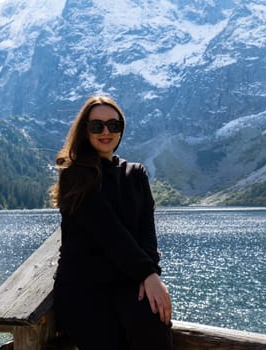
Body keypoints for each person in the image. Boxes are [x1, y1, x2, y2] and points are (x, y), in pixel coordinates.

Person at [50, 95, 173, 349]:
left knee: (155, 329)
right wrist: (148, 274)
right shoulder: (75, 175)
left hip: (128, 283)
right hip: (84, 289)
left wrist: (151, 274)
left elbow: (146, 235)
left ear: (121, 129)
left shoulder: (136, 174)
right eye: (97, 126)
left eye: (113, 125)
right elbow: (109, 233)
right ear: (85, 130)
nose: (106, 132)